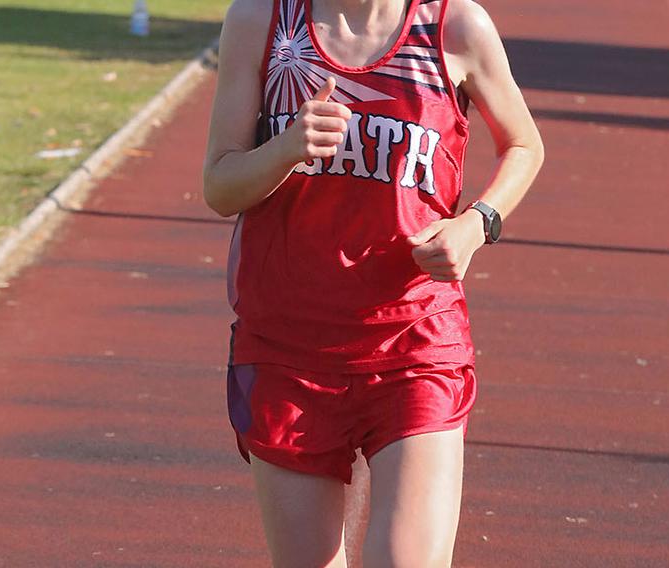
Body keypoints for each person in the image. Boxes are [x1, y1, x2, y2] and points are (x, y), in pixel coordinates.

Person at [203, 0, 544, 565]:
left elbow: (524, 143)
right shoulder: (262, 21)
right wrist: (285, 149)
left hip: (416, 341)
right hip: (289, 350)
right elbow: (220, 185)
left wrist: (475, 225)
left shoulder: (455, 24)